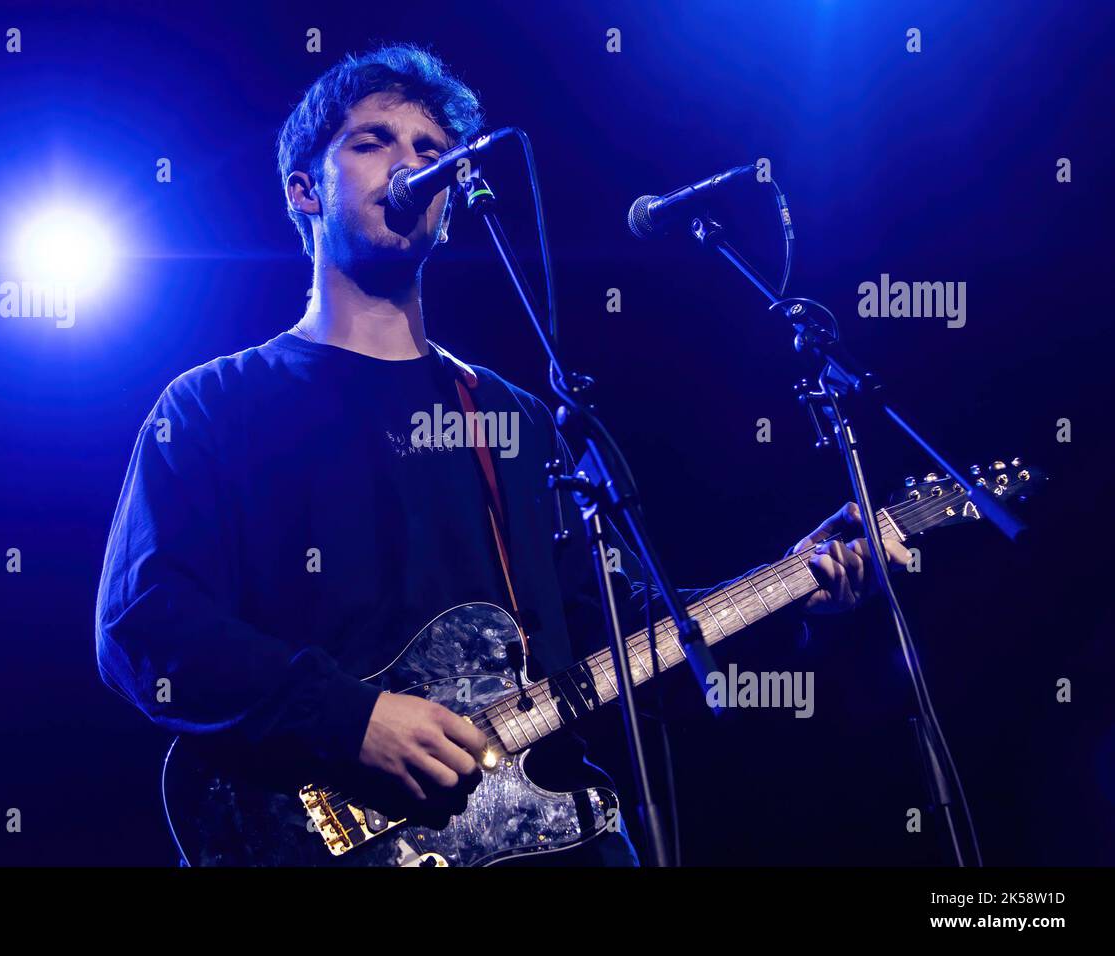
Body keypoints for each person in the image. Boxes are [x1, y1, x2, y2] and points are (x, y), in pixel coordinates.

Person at [94, 43, 910, 866]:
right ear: (304, 189)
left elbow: (619, 638)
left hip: (544, 842)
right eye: (374, 141)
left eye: (429, 151)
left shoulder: (511, 418)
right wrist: (351, 720)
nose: (410, 165)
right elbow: (144, 623)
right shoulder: (216, 405)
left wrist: (793, 591)